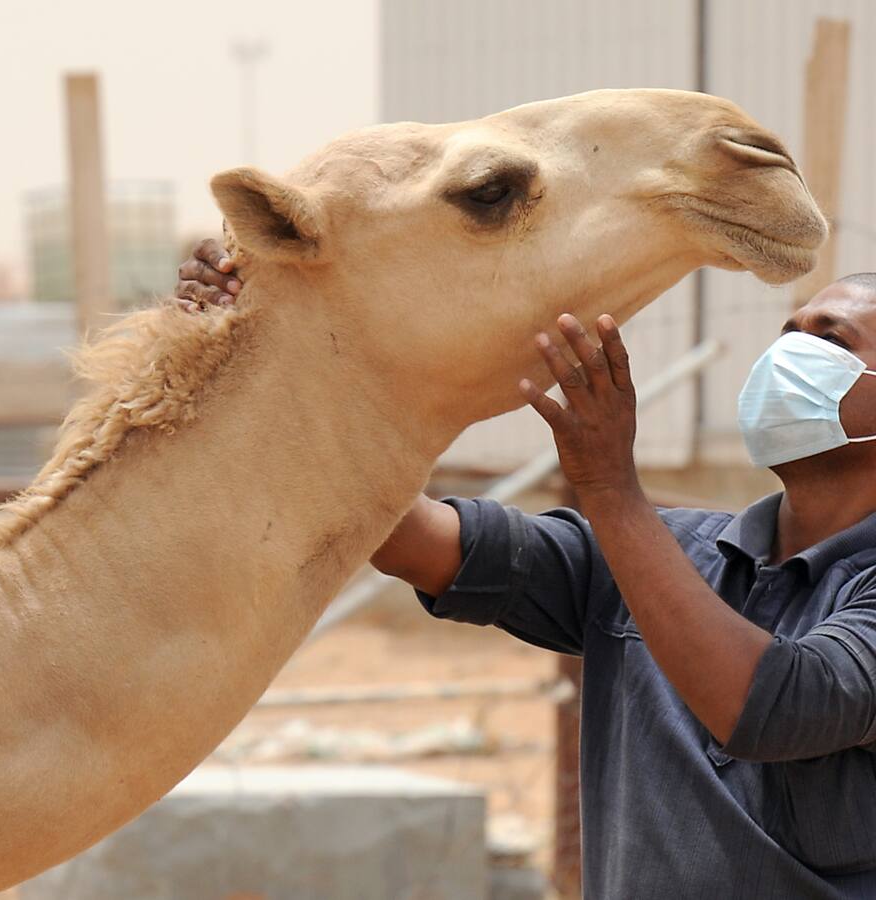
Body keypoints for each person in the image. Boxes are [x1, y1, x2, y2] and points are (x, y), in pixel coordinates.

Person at [179, 240, 876, 898]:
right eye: (788, 333)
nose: (790, 354)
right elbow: (410, 538)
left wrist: (611, 489)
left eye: (832, 341)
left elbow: (773, 707)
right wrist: (258, 362)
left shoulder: (644, 539)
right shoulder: (667, 551)